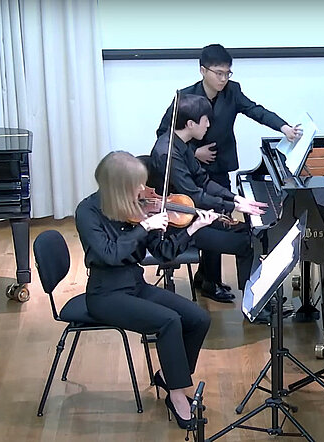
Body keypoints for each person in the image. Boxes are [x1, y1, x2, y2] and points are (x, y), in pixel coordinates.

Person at [75, 151, 218, 429]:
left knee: (198, 318)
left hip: (135, 284)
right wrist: (143, 227)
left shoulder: (137, 207)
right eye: (136, 184)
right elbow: (110, 254)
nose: (143, 189)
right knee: (169, 321)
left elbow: (164, 252)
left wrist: (193, 229)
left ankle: (169, 376)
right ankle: (177, 395)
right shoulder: (88, 212)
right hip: (106, 295)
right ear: (118, 187)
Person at [156, 44, 301, 296]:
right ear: (203, 71)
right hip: (190, 169)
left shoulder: (232, 91)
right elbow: (164, 133)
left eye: (227, 73)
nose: (223, 79)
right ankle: (211, 283)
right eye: (218, 73)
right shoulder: (185, 97)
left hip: (218, 167)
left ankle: (207, 278)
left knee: (220, 219)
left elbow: (256, 110)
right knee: (209, 221)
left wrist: (283, 127)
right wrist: (194, 152)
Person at [150, 93, 266, 303]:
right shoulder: (168, 153)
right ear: (190, 124)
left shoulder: (181, 144)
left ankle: (256, 298)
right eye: (206, 120)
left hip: (193, 215)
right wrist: (232, 206)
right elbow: (195, 196)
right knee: (247, 243)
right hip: (179, 225)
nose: (209, 125)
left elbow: (203, 180)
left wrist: (236, 199)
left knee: (248, 231)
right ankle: (255, 305)